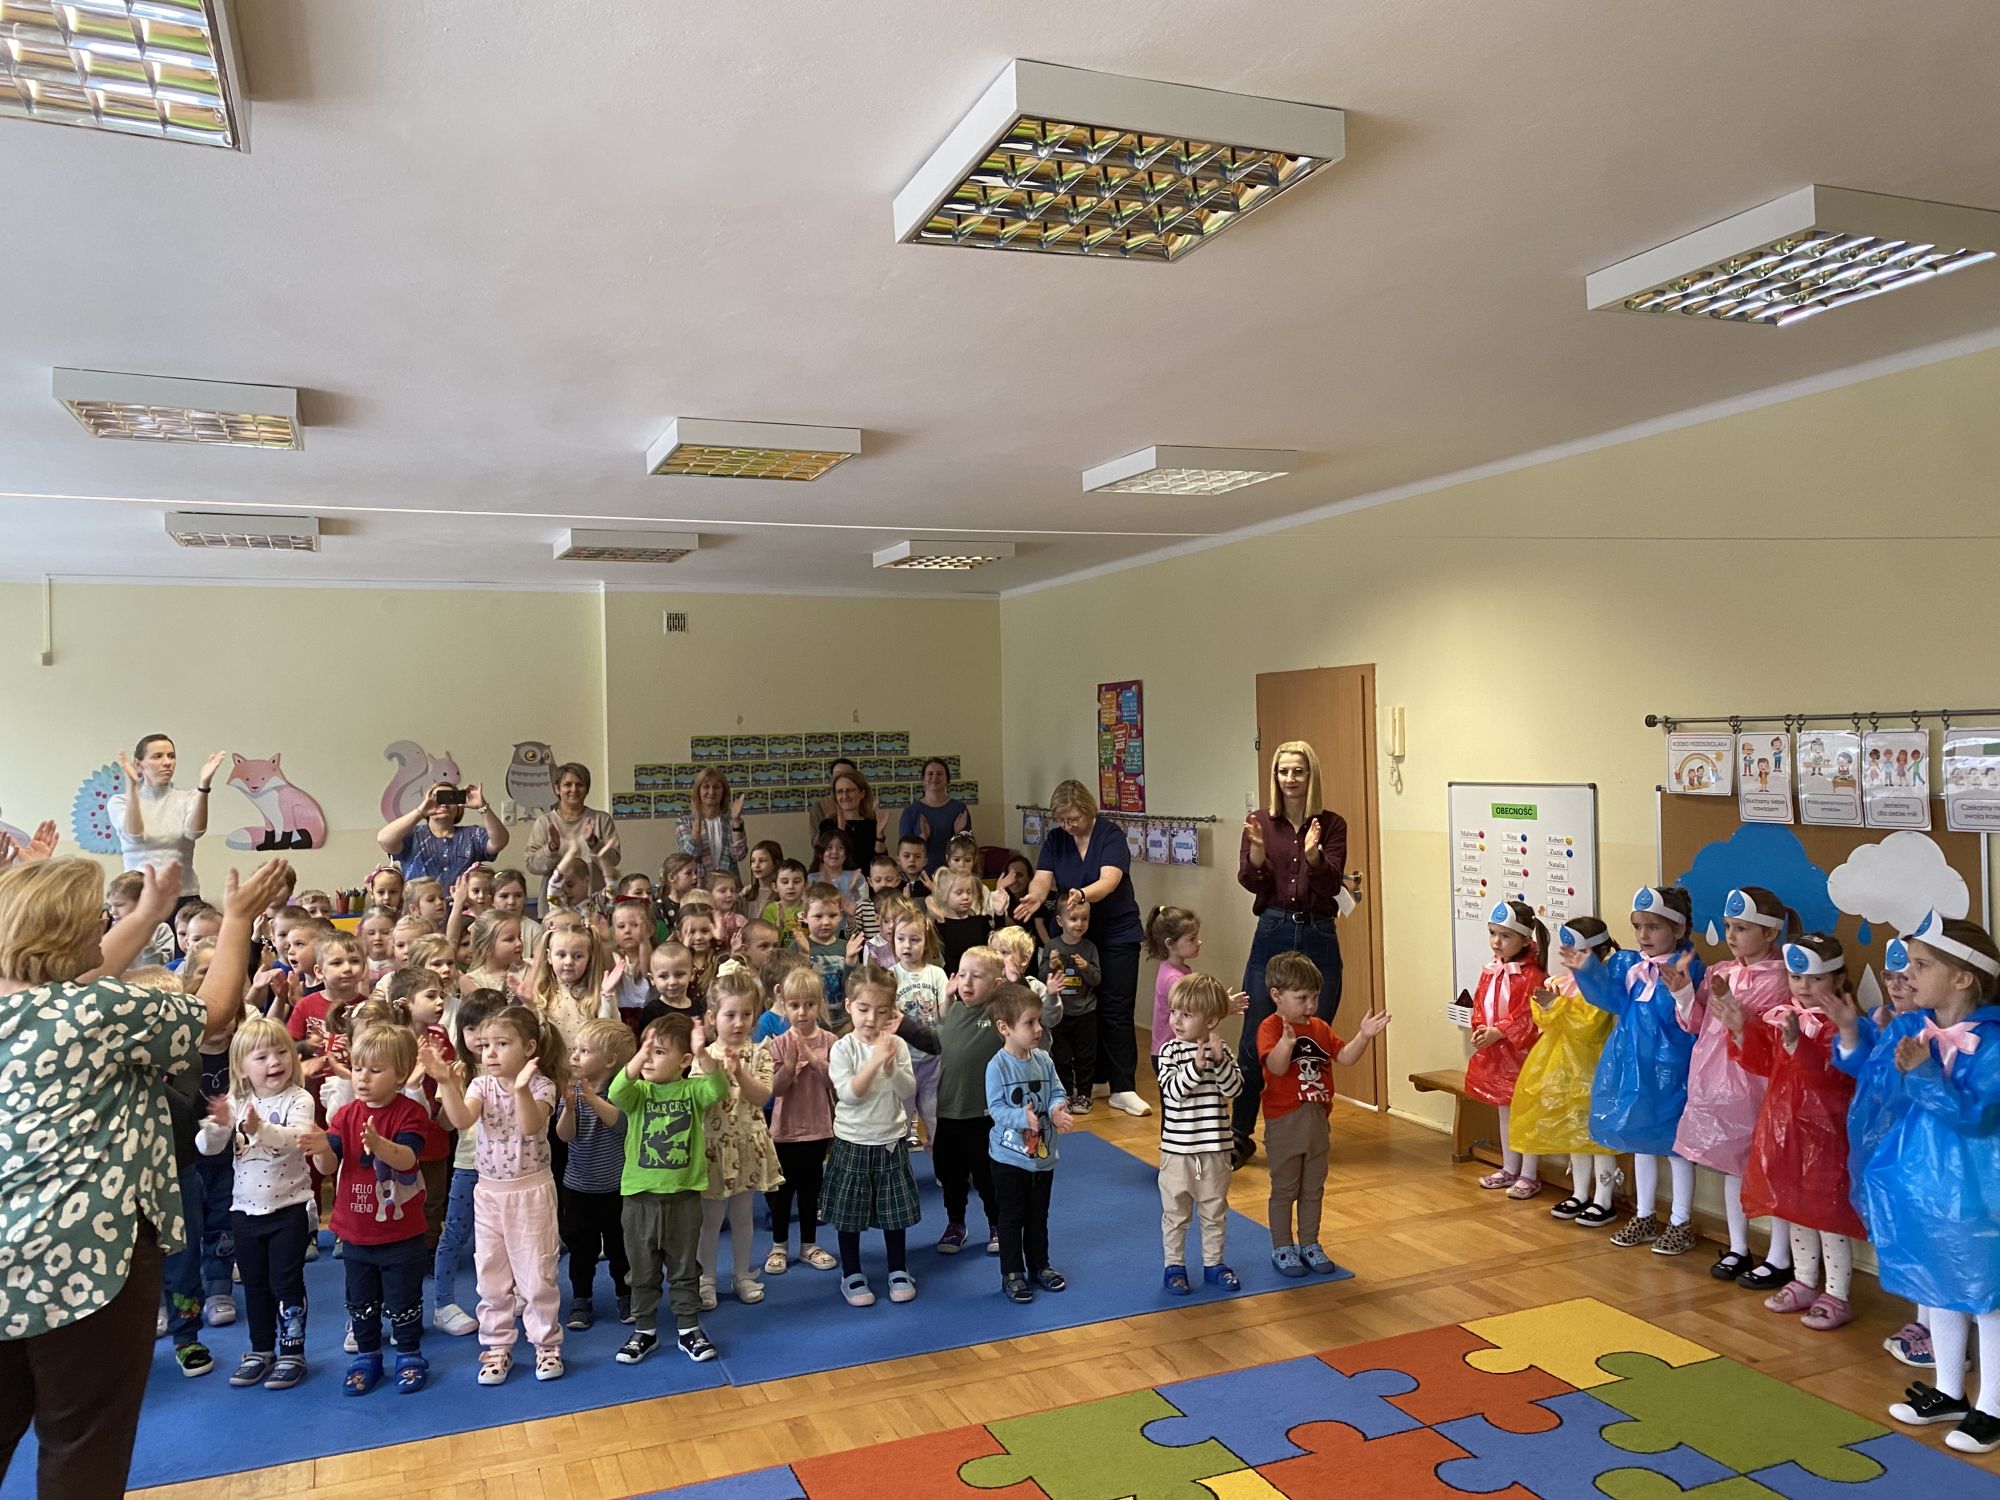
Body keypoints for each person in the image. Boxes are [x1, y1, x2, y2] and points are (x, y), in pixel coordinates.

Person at [0, 852, 286, 1498]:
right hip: (86, 1260)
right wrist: (237, 920)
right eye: (96, 921)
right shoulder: (99, 1010)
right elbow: (215, 1013)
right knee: (81, 1443)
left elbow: (65, 977)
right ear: (66, 936)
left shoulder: (25, 1002)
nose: (105, 929)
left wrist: (151, 913)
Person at [1835, 912, 2000, 1454]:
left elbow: (1975, 1116)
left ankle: (1993, 1407)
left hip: (1979, 1190)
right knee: (1939, 1282)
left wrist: (1925, 1073)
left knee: (1988, 1296)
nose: (1909, 975)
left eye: (1923, 965)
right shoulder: (1911, 1029)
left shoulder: (1993, 1043)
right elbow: (1877, 1090)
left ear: (1963, 978)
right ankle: (1950, 1392)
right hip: (1924, 1181)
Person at [1712, 934, 1864, 1332]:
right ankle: (1804, 1280)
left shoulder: (1844, 1026)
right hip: (1785, 1129)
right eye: (1797, 977)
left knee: (1828, 1216)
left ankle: (1838, 1294)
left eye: (1815, 978)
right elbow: (1762, 1061)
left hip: (1827, 1135)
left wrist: (1799, 1044)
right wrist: (1740, 1030)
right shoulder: (1783, 1017)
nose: (1804, 986)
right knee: (1794, 1208)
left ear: (1838, 979)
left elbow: (1832, 1078)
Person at [425, 1006, 565, 1385]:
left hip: (531, 1193)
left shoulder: (541, 1086)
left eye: (502, 1044)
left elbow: (531, 1125)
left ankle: (546, 1344)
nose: (490, 1053)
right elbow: (461, 1120)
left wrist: (519, 1089)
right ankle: (497, 1345)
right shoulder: (480, 1086)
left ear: (529, 1047)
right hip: (489, 1193)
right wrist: (445, 1082)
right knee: (491, 1276)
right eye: (485, 1045)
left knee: (537, 1275)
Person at [1560, 886, 1703, 1255]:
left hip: (1671, 1070)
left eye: (1653, 927)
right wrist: (1587, 971)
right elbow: (1609, 999)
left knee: (1675, 1147)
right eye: (1638, 926)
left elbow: (1692, 1019)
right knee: (1640, 1139)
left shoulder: (1688, 965)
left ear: (1678, 929)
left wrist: (1682, 992)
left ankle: (1681, 1222)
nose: (1643, 935)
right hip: (1631, 1063)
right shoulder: (1629, 964)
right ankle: (1644, 1215)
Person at [306, 1021, 436, 1395]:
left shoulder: (410, 1112)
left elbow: (408, 1160)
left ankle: (409, 1354)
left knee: (404, 1299)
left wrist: (379, 1145)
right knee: (360, 1301)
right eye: (358, 1067)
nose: (362, 1077)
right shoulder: (346, 1115)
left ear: (400, 1075)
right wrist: (320, 1150)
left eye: (375, 1070)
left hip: (401, 1232)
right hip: (355, 1233)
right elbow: (329, 1166)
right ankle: (367, 1356)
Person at [1233, 740, 1347, 1162]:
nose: (1290, 779)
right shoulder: (1260, 822)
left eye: (1298, 771)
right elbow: (1251, 881)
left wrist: (1315, 856)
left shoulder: (1332, 824)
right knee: (1254, 1039)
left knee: (1312, 1039)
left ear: (1311, 775)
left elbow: (1331, 885)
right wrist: (1258, 853)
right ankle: (1240, 1134)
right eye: (1283, 771)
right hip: (1274, 929)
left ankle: (1304, 1131)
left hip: (1318, 933)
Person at [1679, 888, 1795, 1288]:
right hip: (1715, 1083)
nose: (1731, 935)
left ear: (1770, 933)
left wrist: (1739, 1017)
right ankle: (1738, 1246)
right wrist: (1682, 993)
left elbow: (1773, 1036)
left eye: (1742, 928)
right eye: (1728, 926)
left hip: (1756, 1084)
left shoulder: (1781, 979)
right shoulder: (1720, 972)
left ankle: (1780, 1256)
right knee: (1733, 1166)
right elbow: (1697, 1023)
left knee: (1769, 1169)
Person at [197, 1015, 317, 1390]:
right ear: (241, 1068)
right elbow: (207, 1148)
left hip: (290, 1209)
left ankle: (292, 1350)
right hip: (244, 1211)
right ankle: (261, 1349)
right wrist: (218, 1126)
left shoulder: (298, 1098)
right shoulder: (237, 1102)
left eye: (281, 1052)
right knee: (254, 1284)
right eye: (261, 1057)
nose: (274, 1062)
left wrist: (260, 1129)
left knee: (285, 1281)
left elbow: (297, 1138)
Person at [1016, 779, 1144, 1116]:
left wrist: (1083, 894)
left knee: (1116, 1009)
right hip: (1073, 936)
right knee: (1084, 1010)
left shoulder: (1110, 835)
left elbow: (1110, 880)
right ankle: (1096, 1079)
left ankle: (1123, 1086)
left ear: (1089, 811)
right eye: (1062, 820)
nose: (1068, 825)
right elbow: (1042, 877)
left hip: (1115, 933)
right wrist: (1036, 896)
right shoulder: (1056, 839)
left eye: (1073, 819)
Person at [1259, 951, 1389, 1277]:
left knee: (1313, 1187)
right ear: (1277, 995)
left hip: (1317, 1119)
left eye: (1314, 997)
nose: (1310, 1005)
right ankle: (1282, 1246)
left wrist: (1364, 1036)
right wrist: (1286, 1043)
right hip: (1285, 1121)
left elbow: (1345, 1057)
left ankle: (1310, 1242)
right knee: (1285, 1189)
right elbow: (1275, 1067)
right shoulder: (1270, 1027)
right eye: (1301, 998)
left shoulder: (1319, 1027)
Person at [610, 1014, 728, 1365]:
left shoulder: (692, 1091)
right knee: (641, 1269)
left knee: (684, 1267)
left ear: (684, 1060)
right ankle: (644, 1330)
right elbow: (616, 1092)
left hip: (683, 1198)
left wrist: (703, 1053)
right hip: (639, 1199)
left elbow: (718, 1088)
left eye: (658, 1052)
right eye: (645, 1049)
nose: (648, 1058)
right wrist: (639, 1056)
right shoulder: (639, 1093)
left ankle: (688, 1327)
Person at [1510, 919, 1620, 1227]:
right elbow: (1547, 1023)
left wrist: (1556, 1006)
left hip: (1593, 1068)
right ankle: (1580, 1193)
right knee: (1575, 1132)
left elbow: (1589, 1026)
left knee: (1597, 1138)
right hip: (1564, 1069)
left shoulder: (1603, 987)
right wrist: (1546, 1005)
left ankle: (1604, 1199)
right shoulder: (1561, 982)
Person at [823, 968, 922, 1307]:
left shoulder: (897, 1045)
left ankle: (898, 1268)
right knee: (849, 1214)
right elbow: (849, 1094)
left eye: (881, 1011)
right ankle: (851, 1272)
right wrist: (875, 1061)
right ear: (849, 1006)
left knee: (894, 1213)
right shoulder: (843, 1048)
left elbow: (908, 1090)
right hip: (853, 1141)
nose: (871, 1018)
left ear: (891, 1012)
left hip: (890, 1140)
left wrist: (891, 1066)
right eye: (863, 1009)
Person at [697, 971, 782, 1310]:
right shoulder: (704, 1056)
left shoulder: (761, 1053)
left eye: (746, 1014)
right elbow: (700, 1100)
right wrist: (716, 1070)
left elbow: (762, 1096)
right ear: (712, 1018)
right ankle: (706, 1278)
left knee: (744, 1216)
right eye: (730, 1014)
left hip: (748, 1145)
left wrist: (739, 1072)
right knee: (711, 1220)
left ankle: (742, 1274)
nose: (738, 1022)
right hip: (713, 1149)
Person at [985, 982, 1075, 1303]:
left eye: (1038, 1021)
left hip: (1042, 1158)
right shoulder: (997, 1066)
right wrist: (1021, 1117)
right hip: (1008, 1159)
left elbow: (1057, 1091)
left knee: (1038, 1216)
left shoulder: (1044, 1060)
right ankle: (1012, 1272)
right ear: (1005, 1028)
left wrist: (1057, 1108)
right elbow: (996, 1109)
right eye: (1029, 1022)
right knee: (1012, 1218)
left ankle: (1040, 1265)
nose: (1038, 1028)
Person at [1156, 973, 1244, 1295]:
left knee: (1214, 1210)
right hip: (1177, 1152)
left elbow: (1234, 1089)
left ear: (1210, 1020)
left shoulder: (1223, 1051)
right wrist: (1195, 1067)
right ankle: (1174, 1266)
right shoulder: (1169, 1051)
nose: (1176, 1020)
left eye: (1187, 1014)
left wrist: (1218, 1061)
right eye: (1174, 1011)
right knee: (1176, 1214)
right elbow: (1172, 1093)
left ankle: (1214, 1263)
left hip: (1215, 1150)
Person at [431, 987, 512, 1337]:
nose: (479, 1036)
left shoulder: (513, 1068)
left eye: (487, 1026)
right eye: (470, 1028)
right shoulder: (459, 1070)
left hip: (509, 1167)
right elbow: (446, 1124)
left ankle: (510, 1291)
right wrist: (449, 1085)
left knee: (507, 1235)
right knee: (455, 1232)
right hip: (470, 1164)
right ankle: (443, 1304)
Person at [1466, 900, 1549, 1199]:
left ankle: (1529, 1174)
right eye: (1492, 933)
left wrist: (1499, 1031)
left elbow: (1528, 1015)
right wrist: (1480, 1028)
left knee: (1527, 1114)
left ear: (1525, 939)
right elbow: (1480, 1002)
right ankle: (1510, 1167)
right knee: (1505, 1112)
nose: (1496, 942)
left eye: (1505, 936)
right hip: (1499, 1054)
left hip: (1523, 1055)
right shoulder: (1492, 970)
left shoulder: (1533, 975)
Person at [556, 1018, 634, 1329]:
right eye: (575, 1049)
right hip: (578, 1186)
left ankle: (626, 1293)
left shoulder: (622, 1091)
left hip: (616, 1188)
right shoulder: (572, 1090)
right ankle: (581, 1297)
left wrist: (591, 1098)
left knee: (620, 1246)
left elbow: (621, 1125)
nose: (575, 1055)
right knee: (581, 1247)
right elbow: (564, 1136)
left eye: (585, 1051)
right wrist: (570, 1108)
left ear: (610, 1061)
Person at [766, 968, 840, 1275]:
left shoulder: (831, 1040)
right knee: (782, 1192)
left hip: (818, 1128)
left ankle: (809, 1244)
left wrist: (811, 1054)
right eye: (795, 1005)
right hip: (784, 1130)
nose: (802, 1012)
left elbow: (833, 1081)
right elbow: (775, 1089)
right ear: (784, 1006)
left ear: (819, 1004)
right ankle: (779, 1245)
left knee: (811, 1190)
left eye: (809, 1004)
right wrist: (790, 1067)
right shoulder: (778, 1043)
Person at [933, 945, 1004, 1257]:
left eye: (977, 976)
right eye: (962, 975)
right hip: (948, 1110)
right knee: (950, 1174)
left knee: (987, 1176)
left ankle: (997, 1224)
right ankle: (955, 1222)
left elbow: (1023, 1009)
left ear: (996, 984)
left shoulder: (998, 1014)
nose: (967, 982)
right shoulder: (953, 1011)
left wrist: (1013, 981)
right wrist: (947, 999)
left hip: (983, 1114)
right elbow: (938, 1027)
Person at [109, 734, 228, 895]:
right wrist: (132, 787)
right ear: (138, 763)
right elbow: (134, 836)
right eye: (157, 756)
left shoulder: (189, 798)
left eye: (171, 756)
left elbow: (194, 833)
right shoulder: (119, 801)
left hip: (183, 894)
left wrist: (204, 785)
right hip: (138, 896)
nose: (167, 762)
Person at [376, 780, 509, 889]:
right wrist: (421, 811)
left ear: (458, 806)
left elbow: (499, 843)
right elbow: (384, 839)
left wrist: (482, 807)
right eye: (438, 798)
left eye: (450, 799)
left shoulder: (473, 835)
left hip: (464, 911)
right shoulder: (411, 835)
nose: (444, 804)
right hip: (417, 910)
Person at [1042, 891, 1102, 1116]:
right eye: (1073, 918)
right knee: (1061, 1056)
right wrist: (1051, 966)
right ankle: (1064, 1093)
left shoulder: (1090, 948)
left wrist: (1086, 968)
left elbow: (1097, 979)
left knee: (1086, 1057)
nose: (1079, 923)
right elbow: (1041, 978)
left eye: (1084, 919)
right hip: (1060, 1013)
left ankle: (1084, 1095)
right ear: (1060, 921)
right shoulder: (1052, 946)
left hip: (1086, 1012)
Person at [526, 763, 621, 898]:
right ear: (557, 789)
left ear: (587, 789)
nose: (574, 789)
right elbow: (532, 866)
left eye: (580, 784)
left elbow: (613, 861)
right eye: (567, 785)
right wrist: (551, 848)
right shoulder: (544, 822)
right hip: (555, 902)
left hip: (596, 901)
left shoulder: (601, 819)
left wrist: (594, 843)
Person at [675, 766, 748, 882]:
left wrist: (735, 820)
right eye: (706, 787)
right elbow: (689, 855)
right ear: (698, 791)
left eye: (716, 787)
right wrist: (697, 824)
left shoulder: (733, 821)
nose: (711, 792)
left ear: (723, 791)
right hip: (699, 887)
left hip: (728, 887)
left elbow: (739, 855)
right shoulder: (684, 822)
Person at [900, 757, 971, 876]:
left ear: (947, 780)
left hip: (953, 875)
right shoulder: (910, 811)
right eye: (930, 774)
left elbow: (969, 848)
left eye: (939, 774)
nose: (934, 778)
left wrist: (958, 833)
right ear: (923, 780)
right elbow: (904, 852)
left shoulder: (959, 809)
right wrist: (922, 838)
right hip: (920, 876)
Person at [818, 764, 887, 875]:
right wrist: (841, 830)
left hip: (867, 882)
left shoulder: (871, 825)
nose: (844, 796)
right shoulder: (827, 826)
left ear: (862, 793)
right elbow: (829, 862)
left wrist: (879, 836)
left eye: (849, 790)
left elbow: (882, 864)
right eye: (840, 791)